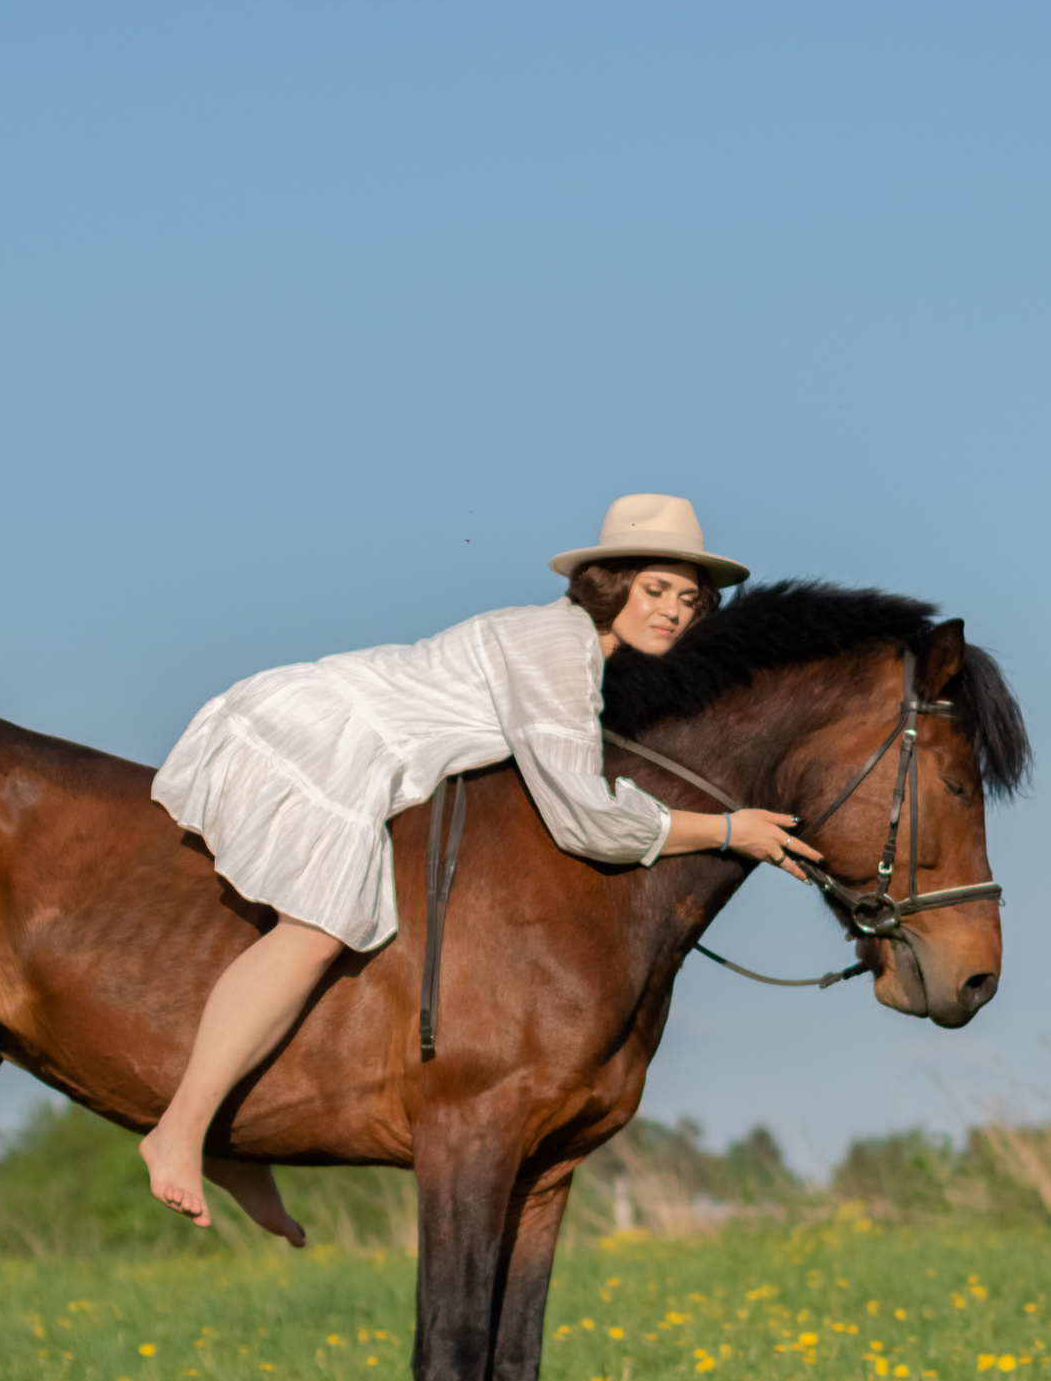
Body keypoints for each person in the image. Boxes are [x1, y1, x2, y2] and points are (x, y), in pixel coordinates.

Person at [140, 494, 822, 1240]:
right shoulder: (556, 650)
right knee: (318, 932)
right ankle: (178, 1128)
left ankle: (232, 1143)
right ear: (612, 581)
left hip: (372, 756)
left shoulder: (578, 656)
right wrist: (728, 829)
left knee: (327, 932)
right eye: (654, 589)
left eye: (688, 599)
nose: (671, 611)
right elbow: (585, 815)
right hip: (326, 738)